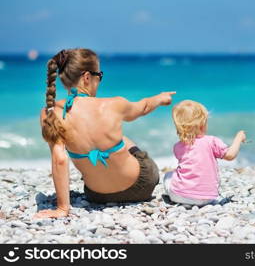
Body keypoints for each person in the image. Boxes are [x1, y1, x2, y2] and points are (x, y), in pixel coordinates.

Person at [34, 48, 175, 219]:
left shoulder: (50, 112)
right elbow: (143, 107)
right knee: (120, 138)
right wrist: (160, 98)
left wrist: (63, 208)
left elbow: (60, 159)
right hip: (141, 186)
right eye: (99, 75)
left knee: (96, 140)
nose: (99, 80)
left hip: (97, 196)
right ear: (87, 77)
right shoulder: (114, 104)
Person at [163, 100, 246, 206]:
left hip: (180, 196)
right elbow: (230, 155)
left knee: (168, 175)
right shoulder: (211, 141)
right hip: (208, 197)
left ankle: (178, 196)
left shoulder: (177, 146)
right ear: (202, 124)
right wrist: (238, 138)